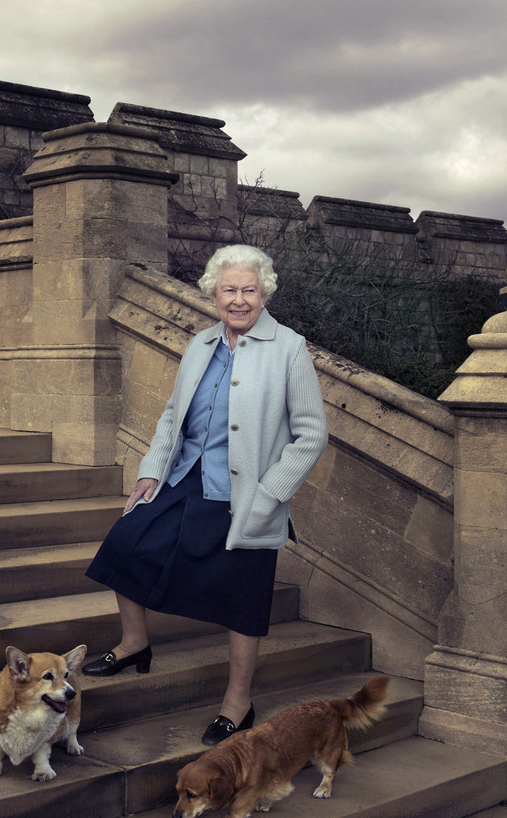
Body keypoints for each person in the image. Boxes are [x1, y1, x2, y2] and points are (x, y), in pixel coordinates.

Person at [82, 244, 329, 746]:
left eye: (249, 291)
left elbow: (311, 434)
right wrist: (151, 472)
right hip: (186, 477)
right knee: (125, 544)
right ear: (213, 294)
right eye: (228, 290)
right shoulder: (200, 344)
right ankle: (134, 645)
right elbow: (174, 415)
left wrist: (270, 495)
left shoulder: (289, 348)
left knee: (243, 596)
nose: (238, 300)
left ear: (264, 294)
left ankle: (238, 703)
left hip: (246, 494)